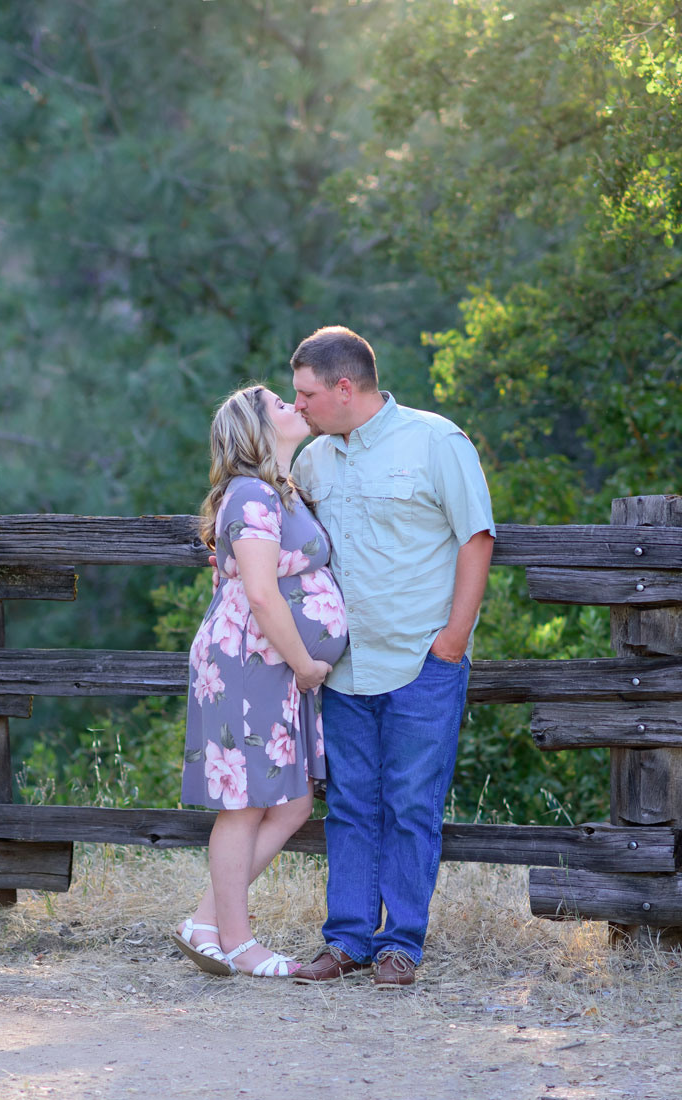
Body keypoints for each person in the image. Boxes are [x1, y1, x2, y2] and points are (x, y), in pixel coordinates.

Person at [283, 325, 495, 989]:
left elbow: (477, 537)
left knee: (410, 803)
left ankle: (400, 945)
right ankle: (345, 941)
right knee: (349, 803)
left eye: (306, 395)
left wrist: (453, 639)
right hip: (344, 667)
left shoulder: (436, 440)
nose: (298, 408)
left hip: (422, 660)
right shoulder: (312, 460)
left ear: (345, 388)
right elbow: (277, 535)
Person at [173, 384, 349, 978]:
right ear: (256, 430)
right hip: (254, 663)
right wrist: (304, 664)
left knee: (294, 802)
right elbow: (261, 593)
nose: (295, 407)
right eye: (280, 404)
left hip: (269, 663)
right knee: (245, 805)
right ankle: (240, 943)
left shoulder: (278, 492)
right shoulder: (251, 495)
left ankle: (205, 921)